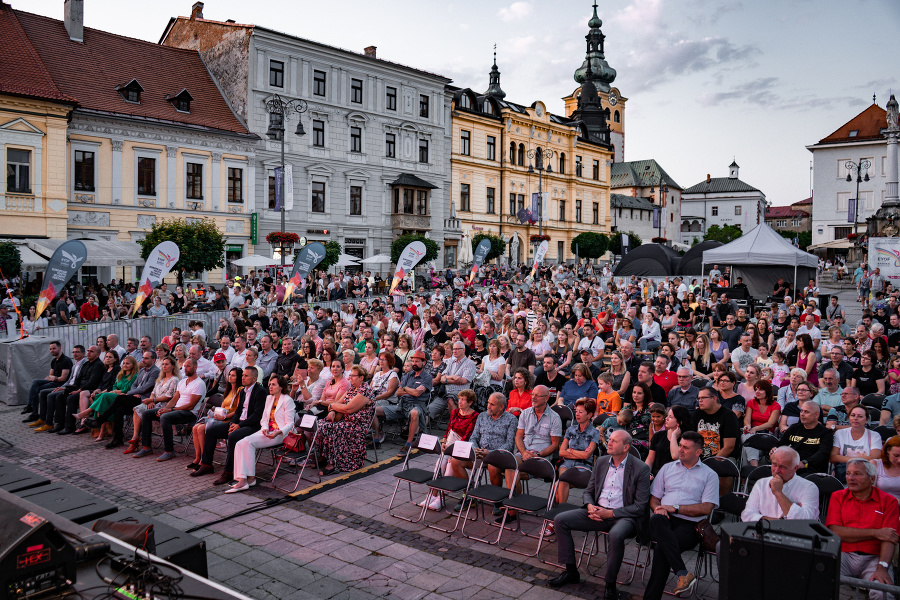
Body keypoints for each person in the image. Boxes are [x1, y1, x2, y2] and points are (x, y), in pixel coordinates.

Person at [549, 429, 651, 599]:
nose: (609, 443)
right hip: (597, 511)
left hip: (624, 517)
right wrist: (590, 506)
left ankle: (610, 585)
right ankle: (571, 571)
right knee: (560, 520)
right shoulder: (602, 461)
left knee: (615, 535)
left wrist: (610, 513)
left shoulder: (640, 468)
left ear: (626, 447)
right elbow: (589, 491)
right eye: (609, 439)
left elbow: (640, 507)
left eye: (614, 441)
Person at [644, 431, 719, 600]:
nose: (680, 450)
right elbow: (654, 498)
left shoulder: (709, 475)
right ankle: (682, 573)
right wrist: (658, 508)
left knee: (663, 550)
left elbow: (706, 508)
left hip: (690, 525)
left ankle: (655, 595)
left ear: (698, 452)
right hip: (663, 520)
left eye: (686, 447)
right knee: (656, 519)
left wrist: (675, 508)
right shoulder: (667, 468)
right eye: (680, 445)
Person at [826, 459, 899, 600]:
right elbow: (836, 532)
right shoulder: (838, 497)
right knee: (818, 579)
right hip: (843, 555)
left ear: (872, 479)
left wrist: (882, 567)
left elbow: (889, 538)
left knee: (882, 593)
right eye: (848, 473)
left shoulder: (889, 501)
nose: (851, 478)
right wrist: (876, 532)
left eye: (857, 474)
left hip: (875, 558)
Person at [226, 375, 296, 492]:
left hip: (280, 434)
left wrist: (278, 432)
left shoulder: (287, 400)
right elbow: (264, 419)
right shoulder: (269, 398)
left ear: (281, 387)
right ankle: (245, 478)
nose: (270, 387)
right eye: (269, 384)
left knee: (247, 442)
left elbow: (290, 424)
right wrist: (264, 428)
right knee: (240, 443)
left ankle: (245, 480)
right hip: (267, 431)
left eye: (273, 384)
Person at [133, 358, 206, 461]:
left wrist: (171, 410)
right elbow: (175, 399)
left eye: (188, 366)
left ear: (195, 367)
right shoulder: (183, 381)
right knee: (146, 414)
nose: (185, 368)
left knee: (165, 417)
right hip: (176, 410)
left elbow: (191, 405)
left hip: (189, 413)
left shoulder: (199, 383)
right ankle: (146, 447)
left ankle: (169, 451)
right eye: (184, 366)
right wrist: (164, 408)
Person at [741, 447, 819, 521]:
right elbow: (747, 515)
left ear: (795, 468)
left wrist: (778, 493)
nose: (777, 470)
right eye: (774, 464)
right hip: (764, 532)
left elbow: (807, 520)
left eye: (783, 467)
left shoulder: (809, 487)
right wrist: (777, 522)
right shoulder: (761, 483)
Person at [188, 367, 242, 471]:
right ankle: (198, 458)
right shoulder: (229, 389)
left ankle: (204, 461)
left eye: (233, 375)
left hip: (228, 419)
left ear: (238, 377)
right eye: (229, 374)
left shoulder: (240, 390)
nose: (230, 377)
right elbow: (222, 407)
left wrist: (224, 416)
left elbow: (238, 410)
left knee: (200, 429)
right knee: (195, 427)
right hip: (220, 417)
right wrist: (213, 414)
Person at [379, 350, 432, 456]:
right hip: (402, 405)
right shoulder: (409, 375)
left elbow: (417, 393)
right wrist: (410, 390)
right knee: (375, 410)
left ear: (424, 363)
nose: (414, 363)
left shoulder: (427, 377)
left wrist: (406, 388)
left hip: (417, 405)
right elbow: (398, 392)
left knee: (415, 413)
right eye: (413, 361)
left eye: (417, 361)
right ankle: (377, 436)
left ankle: (408, 444)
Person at [554, 398, 601, 507]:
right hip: (567, 464)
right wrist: (576, 453)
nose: (577, 414)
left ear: (589, 415)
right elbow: (561, 452)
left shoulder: (595, 433)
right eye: (576, 412)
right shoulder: (570, 430)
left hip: (583, 467)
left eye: (581, 412)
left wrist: (571, 451)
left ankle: (559, 512)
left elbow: (586, 455)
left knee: (560, 483)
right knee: (562, 481)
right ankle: (561, 511)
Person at [22, 341, 71, 423]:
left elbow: (63, 378)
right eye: (50, 349)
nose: (52, 350)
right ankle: (31, 408)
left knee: (37, 389)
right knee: (35, 383)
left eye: (54, 348)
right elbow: (50, 375)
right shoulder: (54, 361)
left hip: (61, 384)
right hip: (54, 381)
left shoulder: (66, 360)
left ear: (60, 348)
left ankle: (33, 411)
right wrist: (53, 377)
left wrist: (54, 378)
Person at [777, 401, 833, 474]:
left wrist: (805, 463)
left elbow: (823, 453)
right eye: (801, 411)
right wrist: (775, 449)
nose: (802, 414)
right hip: (791, 466)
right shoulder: (794, 428)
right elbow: (780, 444)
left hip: (812, 469)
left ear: (816, 415)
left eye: (806, 412)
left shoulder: (825, 432)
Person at [831, 405, 883, 482]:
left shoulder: (874, 435)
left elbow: (875, 458)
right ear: (849, 418)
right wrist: (858, 460)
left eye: (860, 416)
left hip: (866, 475)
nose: (855, 418)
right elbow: (833, 457)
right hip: (843, 474)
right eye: (853, 415)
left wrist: (846, 459)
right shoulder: (839, 433)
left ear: (866, 420)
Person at [691, 385, 740, 462]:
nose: (700, 400)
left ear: (714, 398)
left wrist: (712, 464)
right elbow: (691, 439)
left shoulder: (729, 416)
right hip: (699, 457)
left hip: (723, 457)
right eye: (699, 398)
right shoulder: (697, 413)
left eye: (703, 398)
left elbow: (729, 447)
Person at [646, 405, 692, 476]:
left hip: (676, 476)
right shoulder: (658, 435)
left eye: (670, 417)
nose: (666, 418)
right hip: (657, 475)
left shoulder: (687, 438)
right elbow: (650, 459)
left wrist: (673, 436)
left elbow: (675, 456)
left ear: (679, 422)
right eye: (667, 416)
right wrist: (646, 473)